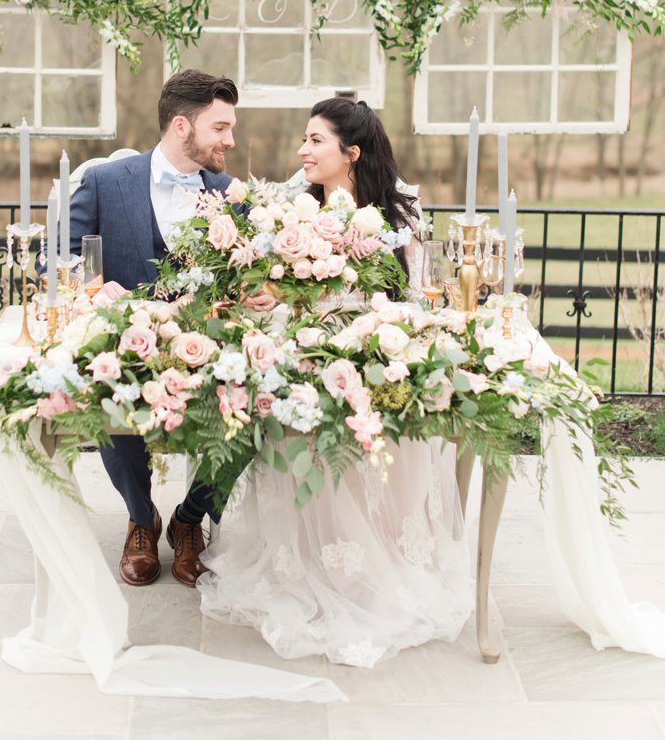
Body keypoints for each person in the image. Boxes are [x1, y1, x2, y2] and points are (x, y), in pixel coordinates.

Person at [198, 98, 474, 667]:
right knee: (291, 415)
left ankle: (374, 567)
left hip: (374, 352)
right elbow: (278, 290)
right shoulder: (294, 210)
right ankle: (307, 560)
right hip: (302, 353)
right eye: (303, 139)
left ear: (351, 153)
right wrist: (266, 297)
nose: (302, 151)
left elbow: (413, 299)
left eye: (315, 141)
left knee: (373, 441)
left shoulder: (401, 217)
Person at [68, 69, 272, 590]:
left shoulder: (233, 193)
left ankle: (189, 519)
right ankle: (141, 517)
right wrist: (94, 288)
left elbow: (252, 273)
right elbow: (61, 258)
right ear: (182, 126)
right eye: (220, 128)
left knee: (259, 404)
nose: (230, 140)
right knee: (108, 392)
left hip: (211, 344)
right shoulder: (104, 182)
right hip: (128, 342)